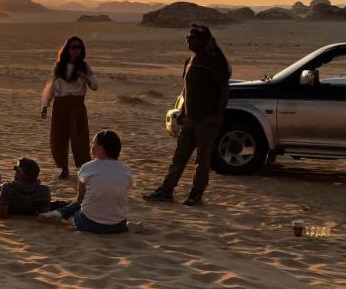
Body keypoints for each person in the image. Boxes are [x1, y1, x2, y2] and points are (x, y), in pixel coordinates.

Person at [145, 24, 231, 206]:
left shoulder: (213, 62)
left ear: (202, 41)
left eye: (192, 38)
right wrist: (183, 112)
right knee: (179, 157)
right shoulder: (190, 60)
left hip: (207, 119)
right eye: (188, 37)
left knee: (202, 160)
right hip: (190, 119)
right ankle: (166, 191)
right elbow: (186, 89)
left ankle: (196, 194)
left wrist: (218, 115)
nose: (188, 40)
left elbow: (224, 91)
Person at [41, 36, 98, 179]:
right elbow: (51, 86)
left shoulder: (84, 66)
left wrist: (84, 76)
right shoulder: (59, 66)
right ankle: (64, 168)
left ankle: (83, 168)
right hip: (60, 104)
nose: (76, 50)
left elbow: (95, 86)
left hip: (77, 104)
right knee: (59, 137)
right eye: (73, 47)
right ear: (67, 49)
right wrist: (45, 105)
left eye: (79, 47)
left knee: (80, 137)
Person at [56, 129, 133, 233]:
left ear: (101, 149)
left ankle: (60, 213)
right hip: (118, 226)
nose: (91, 146)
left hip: (89, 223)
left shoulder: (88, 167)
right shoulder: (126, 169)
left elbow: (80, 199)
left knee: (76, 208)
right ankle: (60, 212)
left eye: (94, 143)